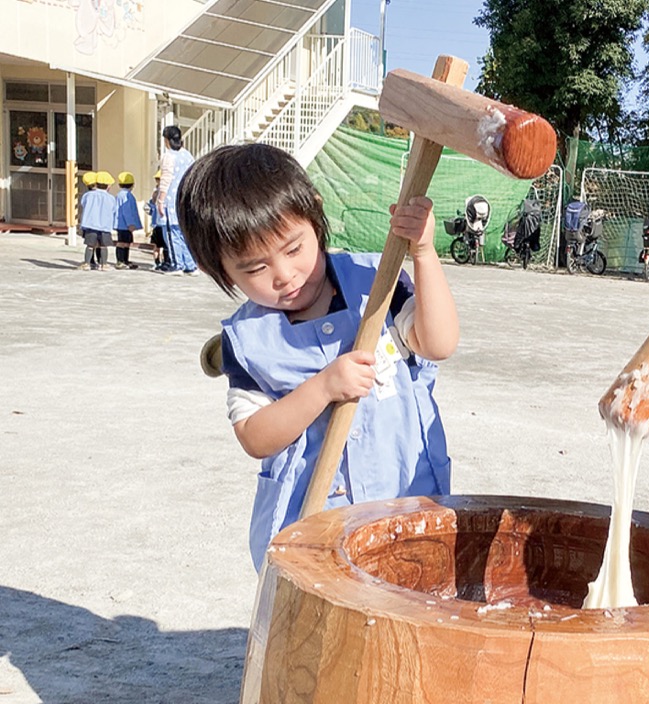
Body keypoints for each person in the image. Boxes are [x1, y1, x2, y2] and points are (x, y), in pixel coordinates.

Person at [176, 142, 460, 570]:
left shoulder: (376, 286)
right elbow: (255, 436)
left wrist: (423, 253)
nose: (284, 276)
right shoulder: (248, 342)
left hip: (406, 506)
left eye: (293, 249)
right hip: (314, 531)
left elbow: (438, 343)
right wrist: (323, 387)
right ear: (215, 267)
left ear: (315, 213)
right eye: (254, 269)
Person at [157, 125, 196, 275]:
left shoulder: (169, 156)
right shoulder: (187, 155)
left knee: (171, 232)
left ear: (167, 140)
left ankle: (176, 264)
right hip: (184, 198)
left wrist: (161, 200)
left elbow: (165, 180)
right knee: (183, 233)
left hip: (171, 199)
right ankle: (190, 264)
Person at [78, 169, 118, 271]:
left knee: (90, 245)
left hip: (91, 225)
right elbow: (114, 209)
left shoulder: (88, 195)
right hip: (105, 226)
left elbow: (83, 204)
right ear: (108, 186)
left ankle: (87, 263)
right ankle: (104, 264)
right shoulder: (111, 198)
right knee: (104, 246)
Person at [113, 171, 142, 269]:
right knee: (123, 242)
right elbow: (127, 211)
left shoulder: (119, 195)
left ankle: (124, 260)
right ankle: (121, 261)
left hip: (120, 223)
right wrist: (130, 223)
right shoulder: (127, 196)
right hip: (125, 225)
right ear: (133, 184)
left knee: (126, 242)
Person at [146, 170, 166, 269]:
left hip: (156, 223)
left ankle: (157, 262)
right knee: (164, 245)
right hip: (162, 223)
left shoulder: (155, 193)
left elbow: (148, 207)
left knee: (157, 246)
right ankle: (163, 262)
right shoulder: (164, 193)